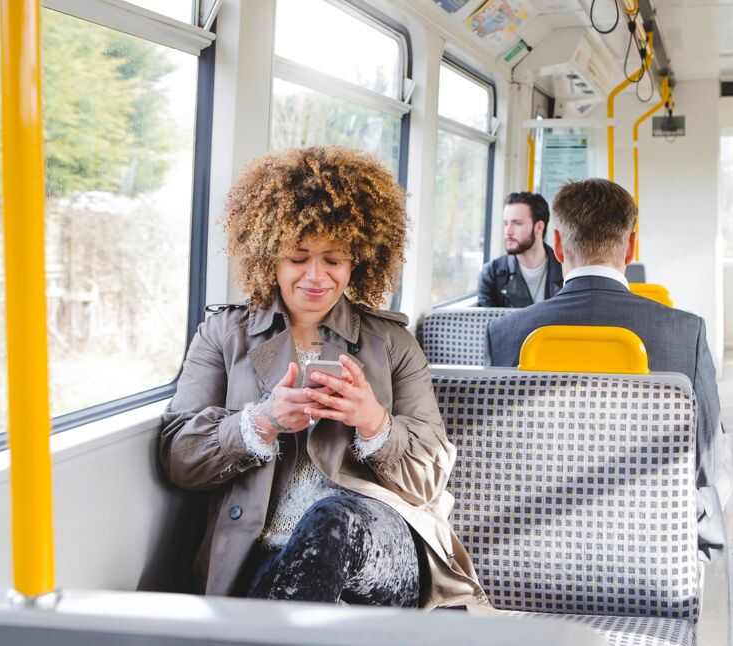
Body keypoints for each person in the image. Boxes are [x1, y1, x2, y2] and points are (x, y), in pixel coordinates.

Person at [160, 146, 489, 610]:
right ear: (267, 255)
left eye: (333, 259)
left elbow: (427, 480)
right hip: (265, 553)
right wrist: (262, 422)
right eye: (298, 257)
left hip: (378, 546)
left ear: (357, 261)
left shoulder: (393, 343)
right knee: (296, 584)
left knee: (331, 519)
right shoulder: (223, 335)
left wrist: (374, 422)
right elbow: (179, 456)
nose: (316, 276)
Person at [483, 178, 729, 562]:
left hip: (532, 545)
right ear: (631, 247)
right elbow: (709, 458)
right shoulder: (686, 333)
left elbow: (495, 458)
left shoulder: (505, 334)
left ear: (559, 245)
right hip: (650, 546)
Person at [476, 192, 563, 308]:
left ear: (539, 228)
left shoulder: (565, 270)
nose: (508, 231)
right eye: (506, 223)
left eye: (517, 223)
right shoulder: (491, 274)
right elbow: (486, 324)